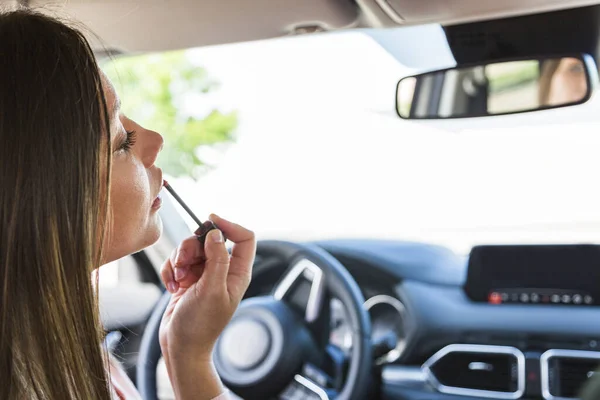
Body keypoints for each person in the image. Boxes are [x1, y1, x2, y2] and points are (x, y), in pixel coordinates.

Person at [0, 7, 256, 400]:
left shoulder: (61, 349)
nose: (154, 141)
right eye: (122, 141)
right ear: (39, 189)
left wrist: (186, 352)